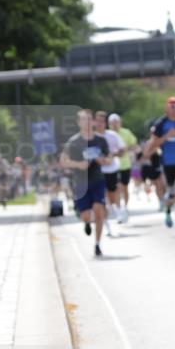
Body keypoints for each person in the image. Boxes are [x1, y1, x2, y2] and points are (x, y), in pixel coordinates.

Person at [60, 109, 112, 257]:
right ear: (79, 122)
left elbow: (110, 159)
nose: (87, 122)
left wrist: (104, 161)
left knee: (99, 211)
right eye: (84, 119)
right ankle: (87, 222)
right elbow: (63, 161)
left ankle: (97, 244)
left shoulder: (100, 140)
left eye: (89, 119)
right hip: (81, 183)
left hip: (98, 180)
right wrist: (78, 164)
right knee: (85, 216)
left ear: (94, 122)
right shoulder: (74, 142)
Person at [147, 97, 175, 234]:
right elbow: (153, 144)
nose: (174, 108)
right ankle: (168, 211)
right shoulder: (161, 124)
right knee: (173, 193)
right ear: (167, 107)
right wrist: (166, 136)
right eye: (171, 106)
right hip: (168, 163)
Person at [95, 110, 125, 237]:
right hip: (97, 172)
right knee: (102, 200)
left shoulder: (112, 135)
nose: (100, 124)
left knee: (113, 194)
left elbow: (122, 150)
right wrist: (99, 160)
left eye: (103, 121)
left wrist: (113, 156)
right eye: (98, 121)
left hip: (112, 169)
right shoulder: (91, 137)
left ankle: (117, 210)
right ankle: (106, 225)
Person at [108, 113, 139, 223]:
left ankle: (125, 206)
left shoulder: (126, 132)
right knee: (117, 187)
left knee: (124, 188)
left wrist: (126, 149)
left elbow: (134, 145)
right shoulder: (108, 134)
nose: (115, 124)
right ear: (110, 124)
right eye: (113, 122)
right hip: (112, 166)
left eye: (117, 122)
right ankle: (119, 208)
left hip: (125, 164)